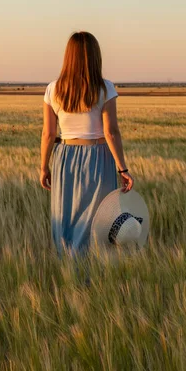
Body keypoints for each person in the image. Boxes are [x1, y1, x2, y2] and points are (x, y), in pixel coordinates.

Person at [40, 31, 134, 256]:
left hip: (64, 157)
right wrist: (123, 168)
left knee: (68, 216)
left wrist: (44, 166)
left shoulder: (53, 89)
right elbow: (111, 133)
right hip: (98, 156)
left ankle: (68, 270)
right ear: (95, 56)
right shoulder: (105, 88)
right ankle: (95, 273)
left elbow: (48, 133)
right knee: (100, 218)